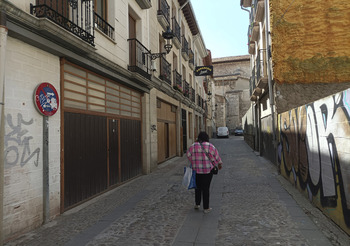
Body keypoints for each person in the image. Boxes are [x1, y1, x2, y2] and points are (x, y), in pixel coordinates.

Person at [187, 131, 223, 214]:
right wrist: (220, 164)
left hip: (196, 170)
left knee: (197, 187)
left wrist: (194, 161)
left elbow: (188, 155)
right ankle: (206, 207)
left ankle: (197, 204)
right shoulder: (210, 146)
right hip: (207, 170)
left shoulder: (193, 146)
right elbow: (216, 156)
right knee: (206, 188)